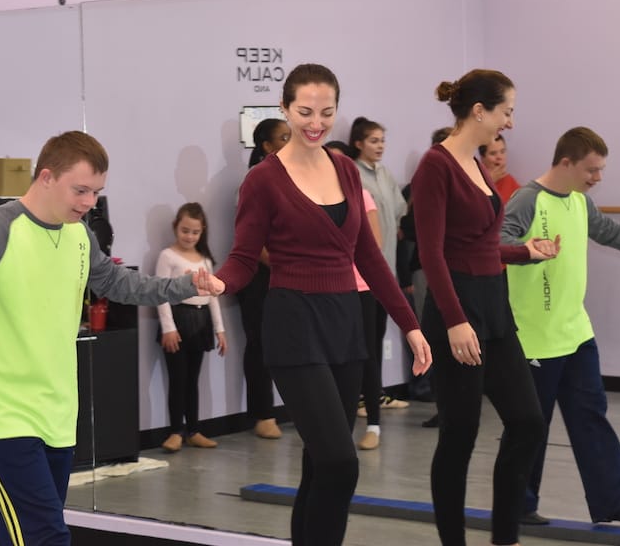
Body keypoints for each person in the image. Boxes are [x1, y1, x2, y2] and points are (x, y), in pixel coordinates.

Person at [0, 131, 221, 546]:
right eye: (80, 190)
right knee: (45, 537)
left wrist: (185, 286)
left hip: (57, 412)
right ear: (47, 177)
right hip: (3, 413)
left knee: (23, 535)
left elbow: (120, 283)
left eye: (96, 192)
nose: (89, 201)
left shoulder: (79, 235)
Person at [215, 63, 431, 545]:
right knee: (339, 462)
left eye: (327, 112)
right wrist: (217, 283)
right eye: (305, 112)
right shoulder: (263, 180)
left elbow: (369, 257)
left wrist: (410, 324)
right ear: (285, 109)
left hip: (345, 325)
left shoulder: (345, 169)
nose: (316, 123)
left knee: (319, 463)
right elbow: (244, 259)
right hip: (294, 326)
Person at [502, 126, 620, 526]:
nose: (597, 177)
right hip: (536, 340)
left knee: (591, 417)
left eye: (600, 170)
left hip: (576, 333)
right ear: (566, 163)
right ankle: (518, 504)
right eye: (591, 169)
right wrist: (529, 250)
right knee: (531, 426)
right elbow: (498, 242)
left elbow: (609, 232)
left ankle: (613, 502)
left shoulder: (580, 202)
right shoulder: (527, 200)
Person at [412, 69, 556, 546]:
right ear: (479, 111)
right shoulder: (435, 166)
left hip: (494, 309)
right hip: (457, 311)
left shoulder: (475, 162)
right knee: (460, 435)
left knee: (528, 423)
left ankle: (504, 538)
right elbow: (432, 252)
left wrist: (523, 251)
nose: (510, 122)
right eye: (506, 111)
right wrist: (454, 321)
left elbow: (476, 244)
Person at [349, 117, 411, 413]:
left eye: (382, 141)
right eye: (373, 141)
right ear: (358, 144)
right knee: (363, 337)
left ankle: (376, 393)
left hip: (387, 266)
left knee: (378, 333)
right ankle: (362, 396)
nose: (380, 146)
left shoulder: (384, 173)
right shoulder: (353, 176)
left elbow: (399, 211)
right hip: (362, 274)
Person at [327, 140, 385, 450]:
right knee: (333, 359)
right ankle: (336, 426)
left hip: (361, 289)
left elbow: (374, 245)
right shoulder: (315, 196)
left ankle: (373, 424)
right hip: (329, 290)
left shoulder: (361, 196)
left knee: (367, 356)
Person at [157, 202, 227, 452]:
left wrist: (220, 330)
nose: (189, 236)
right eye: (185, 230)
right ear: (176, 227)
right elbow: (161, 293)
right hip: (178, 320)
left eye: (195, 232)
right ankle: (176, 431)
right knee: (178, 378)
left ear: (202, 231)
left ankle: (194, 430)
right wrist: (168, 328)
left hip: (200, 321)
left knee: (193, 380)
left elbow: (213, 297)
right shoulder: (168, 256)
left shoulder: (205, 260)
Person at [237, 118, 289, 439]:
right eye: (284, 137)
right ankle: (263, 413)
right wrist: (286, 264)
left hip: (288, 275)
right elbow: (253, 242)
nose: (291, 142)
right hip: (261, 277)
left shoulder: (296, 178)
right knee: (260, 345)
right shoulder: (255, 181)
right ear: (267, 146)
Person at [400, 126, 453, 427]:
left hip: (452, 268)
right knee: (434, 334)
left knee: (450, 336)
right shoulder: (423, 182)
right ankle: (438, 398)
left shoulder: (463, 180)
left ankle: (449, 403)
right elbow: (408, 226)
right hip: (427, 269)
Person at [479, 134, 521, 204]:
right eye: (493, 153)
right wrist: (489, 182)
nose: (499, 157)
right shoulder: (475, 181)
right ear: (482, 158)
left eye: (502, 152)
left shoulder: (509, 181)